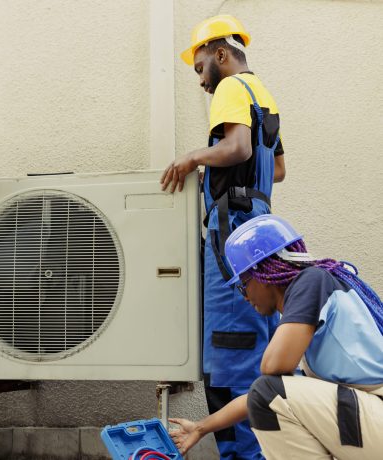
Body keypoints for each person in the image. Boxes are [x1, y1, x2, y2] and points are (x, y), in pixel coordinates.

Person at [160, 14, 285, 459]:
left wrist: (194, 156)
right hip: (262, 230)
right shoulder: (262, 92)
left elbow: (238, 149)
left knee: (229, 352)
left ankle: (244, 455)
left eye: (199, 68)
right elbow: (279, 169)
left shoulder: (232, 87)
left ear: (220, 54)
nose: (200, 81)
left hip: (233, 230)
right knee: (261, 351)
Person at [170, 214, 383, 460]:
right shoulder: (316, 298)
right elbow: (271, 394)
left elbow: (270, 373)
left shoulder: (310, 281)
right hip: (369, 414)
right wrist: (201, 427)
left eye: (243, 284)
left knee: (268, 393)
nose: (244, 296)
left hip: (374, 411)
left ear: (261, 272)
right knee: (271, 394)